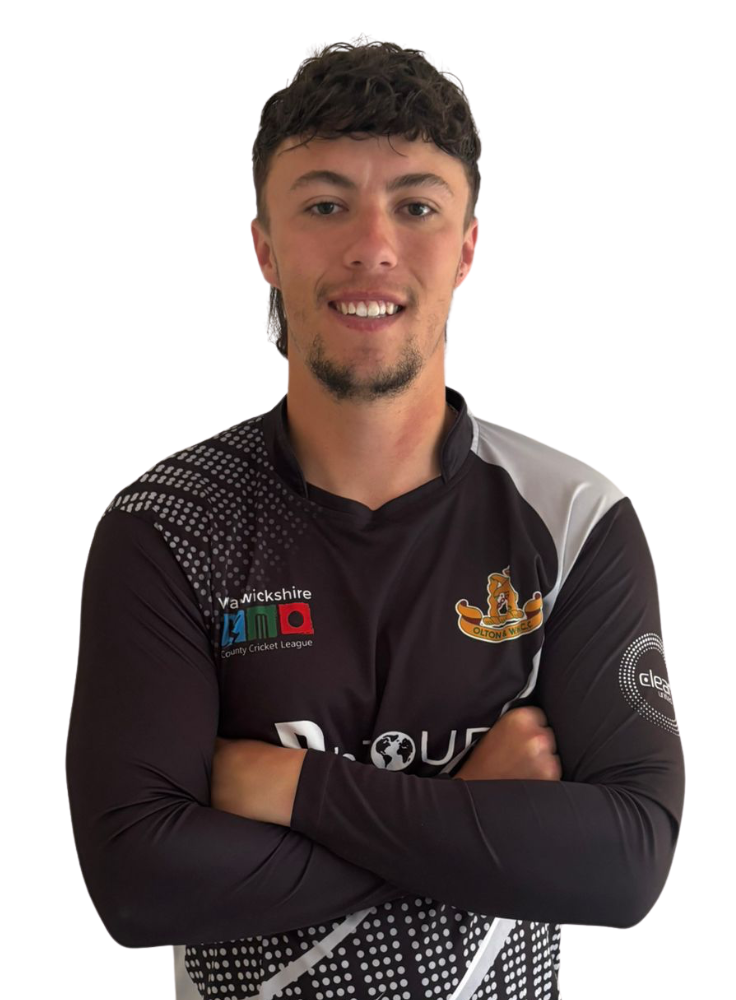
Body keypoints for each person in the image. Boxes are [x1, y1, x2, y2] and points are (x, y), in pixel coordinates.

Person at [65, 39, 685, 1000]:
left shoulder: (573, 520)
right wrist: (471, 809)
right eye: (324, 206)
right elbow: (140, 885)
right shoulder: (169, 530)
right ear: (265, 247)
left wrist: (296, 790)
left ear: (466, 246)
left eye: (416, 206)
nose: (372, 246)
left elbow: (626, 862)